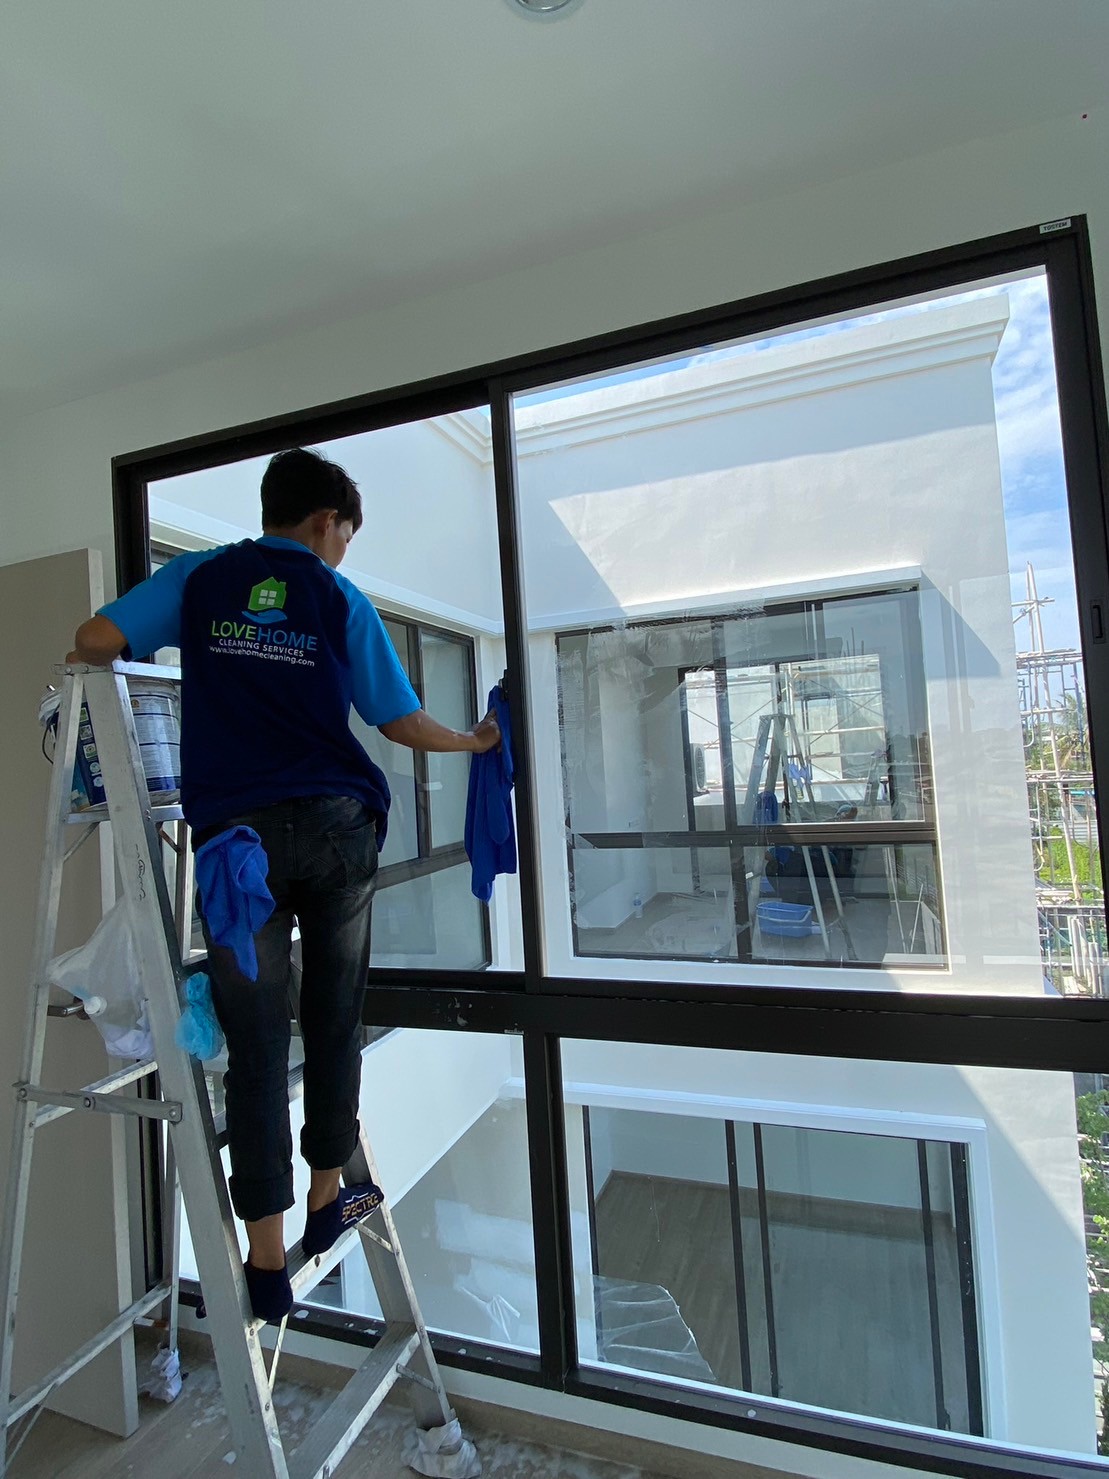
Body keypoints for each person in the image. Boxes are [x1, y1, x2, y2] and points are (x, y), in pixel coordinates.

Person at [69, 447, 500, 1321]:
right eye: (344, 534)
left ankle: (265, 1264)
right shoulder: (336, 597)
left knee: (257, 1041)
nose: (341, 548)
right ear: (325, 521)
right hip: (337, 828)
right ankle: (326, 1198)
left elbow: (96, 641)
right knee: (335, 1017)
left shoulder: (198, 578)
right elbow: (398, 720)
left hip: (239, 844)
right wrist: (474, 740)